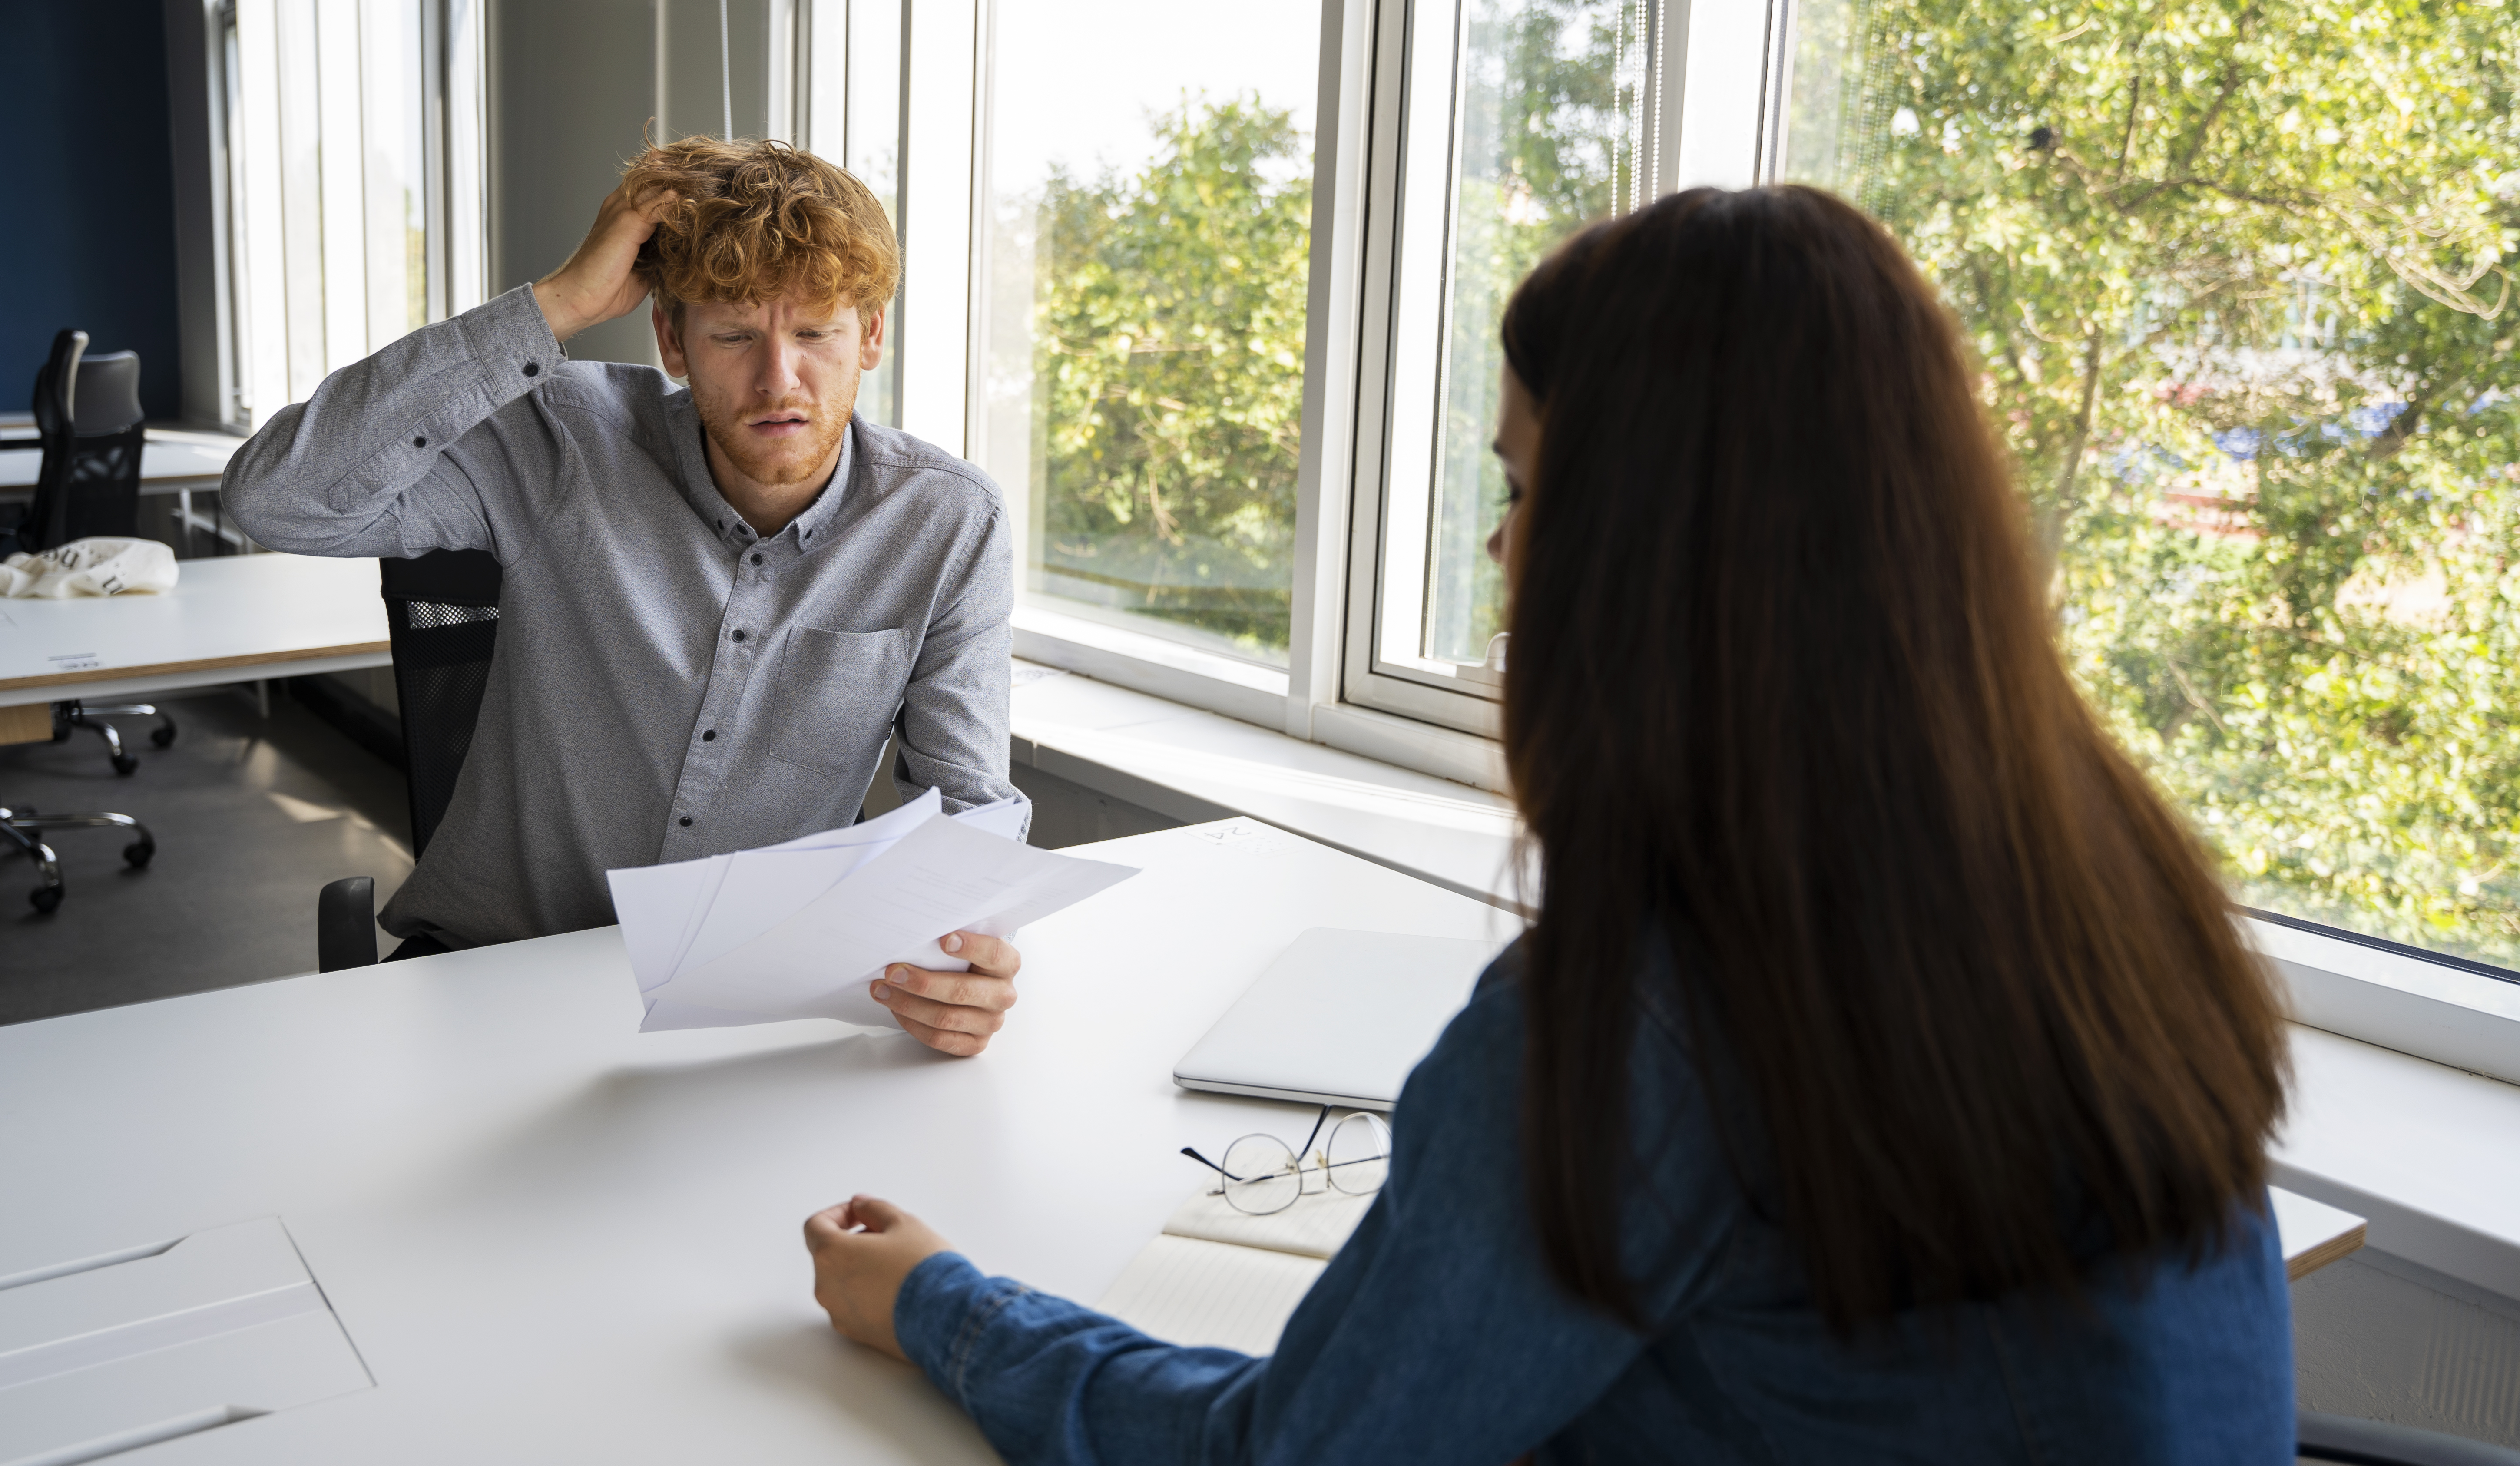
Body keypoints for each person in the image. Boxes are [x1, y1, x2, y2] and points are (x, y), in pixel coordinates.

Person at [800, 185, 2298, 1460]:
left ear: (1648, 551)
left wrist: (942, 1299)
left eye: (1527, 485)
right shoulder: (2110, 877)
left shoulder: (1647, 1017)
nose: (1507, 544)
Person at [223, 138, 1024, 1056]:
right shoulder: (562, 440)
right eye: (731, 335)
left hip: (747, 1003)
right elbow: (275, 499)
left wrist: (971, 957)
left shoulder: (949, 523)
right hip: (493, 976)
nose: (778, 380)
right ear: (673, 340)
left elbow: (968, 804)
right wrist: (554, 307)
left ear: (871, 334)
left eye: (815, 332)